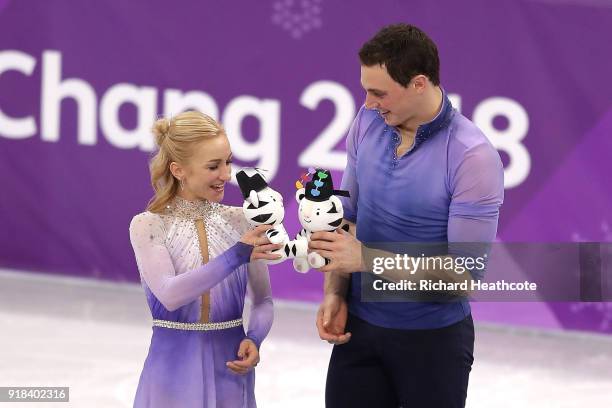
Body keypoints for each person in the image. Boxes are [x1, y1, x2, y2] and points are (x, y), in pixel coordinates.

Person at [309, 24, 504, 407]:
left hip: (434, 344)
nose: (367, 103)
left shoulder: (472, 156)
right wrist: (336, 290)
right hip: (359, 334)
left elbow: (463, 276)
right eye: (365, 89)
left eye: (378, 92)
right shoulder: (366, 124)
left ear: (418, 84)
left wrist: (364, 259)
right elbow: (347, 218)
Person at [129, 111, 280, 407]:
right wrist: (237, 254)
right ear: (179, 170)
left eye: (228, 162)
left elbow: (263, 301)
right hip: (172, 369)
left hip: (231, 366)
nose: (226, 175)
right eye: (213, 166)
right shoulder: (149, 225)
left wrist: (255, 337)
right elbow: (171, 295)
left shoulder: (242, 221)